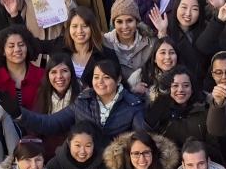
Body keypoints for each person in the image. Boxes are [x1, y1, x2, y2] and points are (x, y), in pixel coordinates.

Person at [8, 59, 148, 140]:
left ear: (118, 80)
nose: (100, 82)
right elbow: (50, 123)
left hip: (117, 168)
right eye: (96, 77)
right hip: (85, 165)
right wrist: (19, 114)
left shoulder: (133, 105)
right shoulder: (82, 101)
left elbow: (141, 139)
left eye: (106, 77)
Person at [0, 27, 44, 111]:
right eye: (11, 46)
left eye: (21, 45)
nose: (17, 49)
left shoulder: (43, 75)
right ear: (3, 51)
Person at [105, 0, 159, 86]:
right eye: (119, 22)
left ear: (136, 21)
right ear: (114, 24)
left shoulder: (150, 41)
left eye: (129, 20)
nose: (125, 26)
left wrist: (162, 32)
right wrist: (130, 88)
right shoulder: (105, 43)